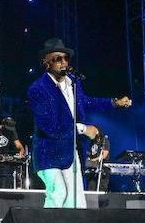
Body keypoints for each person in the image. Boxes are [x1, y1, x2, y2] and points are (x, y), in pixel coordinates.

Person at [28, 38, 131, 209]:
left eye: (66, 58)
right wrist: (83, 129)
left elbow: (87, 102)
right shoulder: (38, 89)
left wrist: (114, 103)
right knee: (59, 192)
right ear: (45, 63)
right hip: (48, 152)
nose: (63, 62)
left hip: (70, 150)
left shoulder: (73, 83)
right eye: (57, 59)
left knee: (76, 201)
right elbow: (49, 126)